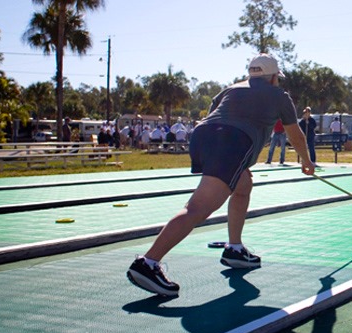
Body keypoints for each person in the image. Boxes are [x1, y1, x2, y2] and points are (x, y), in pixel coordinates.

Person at [126, 53, 315, 296]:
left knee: (243, 184)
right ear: (273, 78)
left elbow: (212, 113)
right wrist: (307, 160)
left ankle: (234, 248)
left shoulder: (230, 89)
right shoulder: (278, 95)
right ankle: (148, 263)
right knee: (198, 207)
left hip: (204, 135)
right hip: (232, 142)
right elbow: (295, 133)